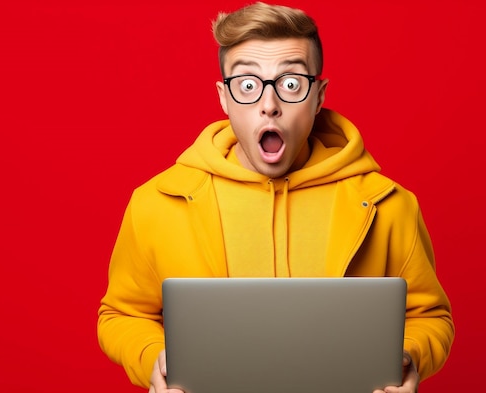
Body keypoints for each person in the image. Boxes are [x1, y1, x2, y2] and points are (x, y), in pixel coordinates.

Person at [97, 2, 454, 393]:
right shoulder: (157, 203)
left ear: (318, 96)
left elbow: (430, 316)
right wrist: (153, 355)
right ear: (224, 98)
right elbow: (121, 315)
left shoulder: (388, 204)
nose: (269, 105)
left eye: (290, 83)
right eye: (248, 85)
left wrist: (406, 355)